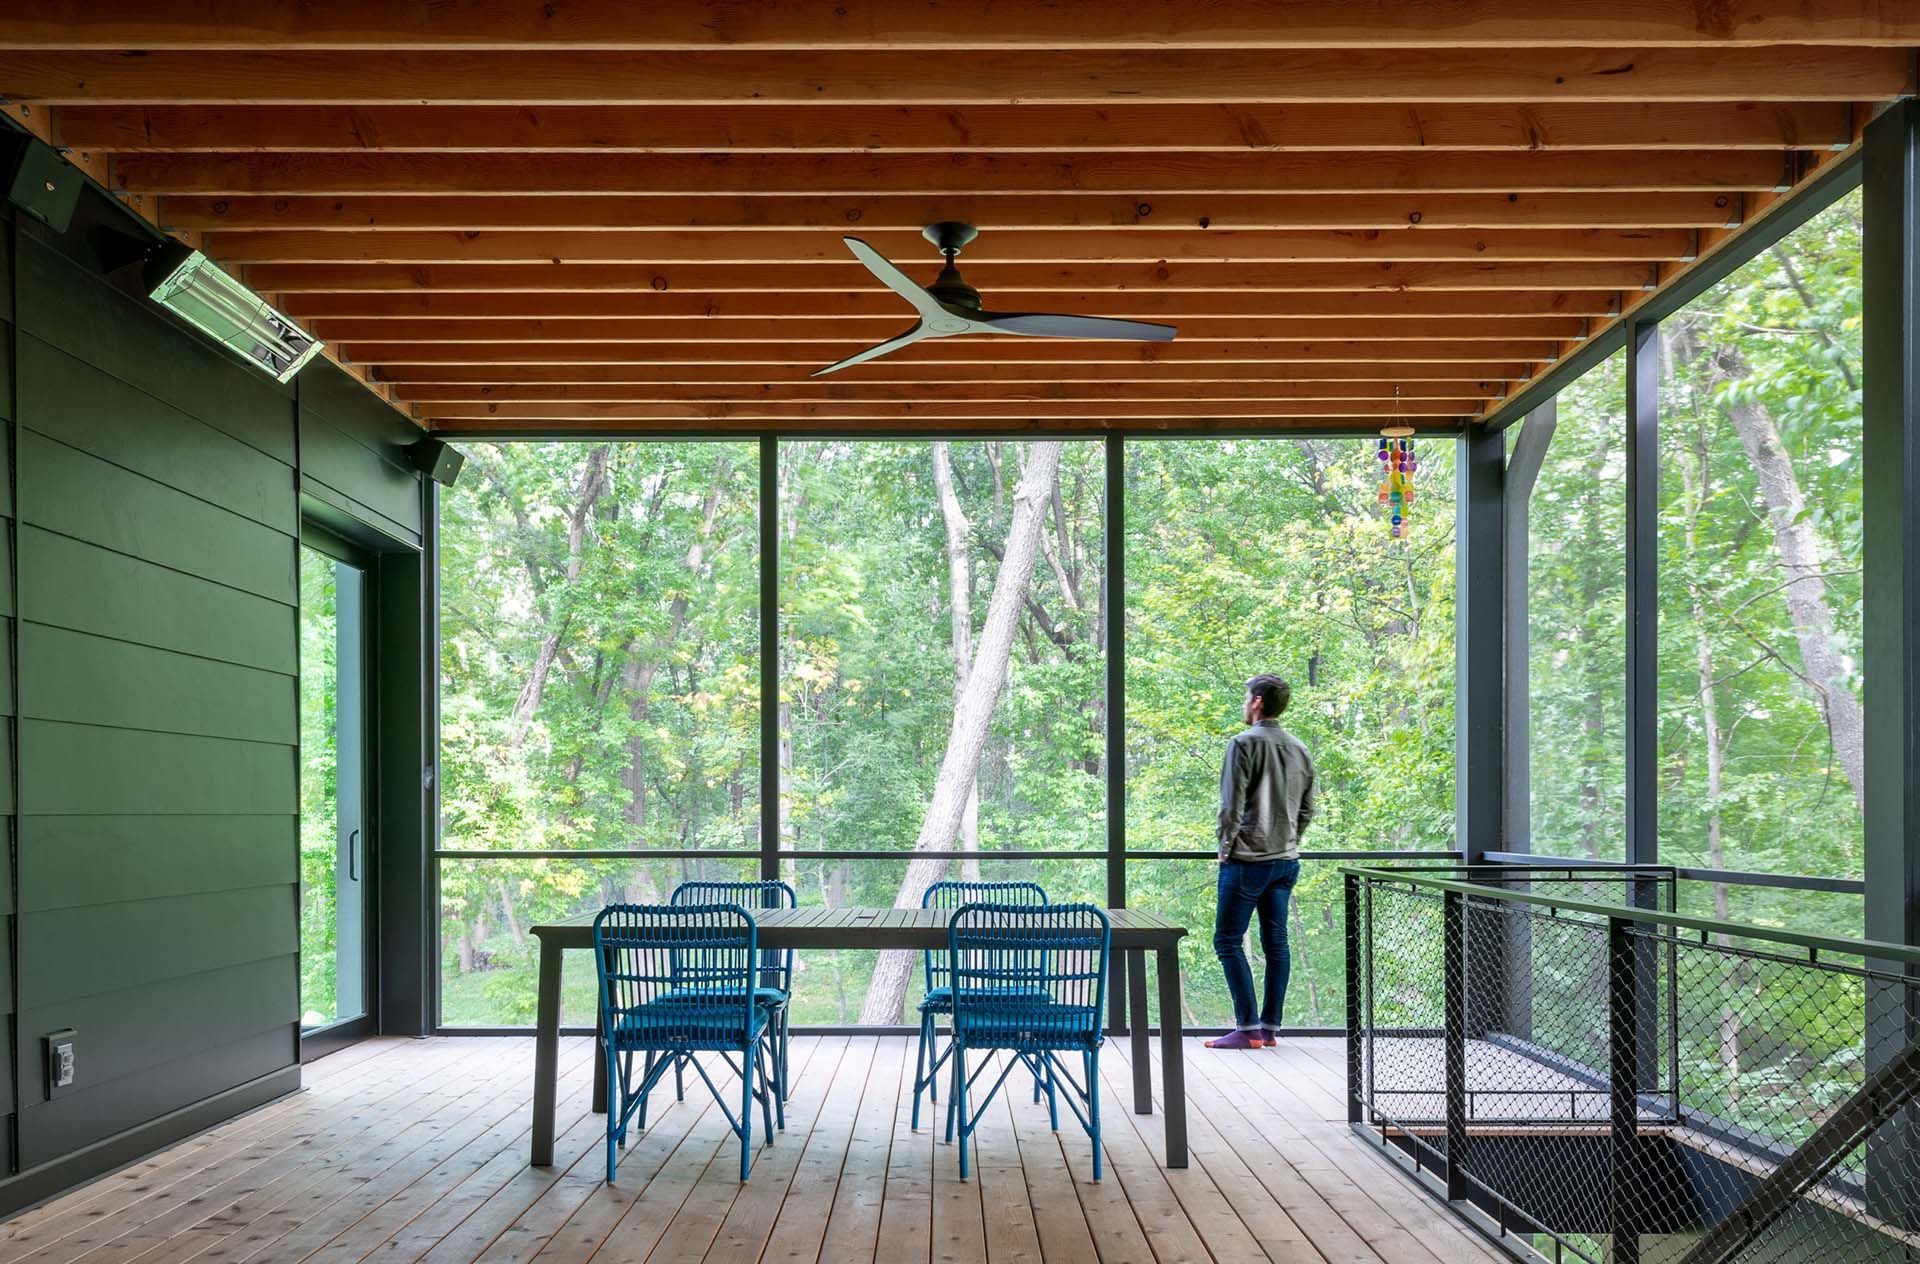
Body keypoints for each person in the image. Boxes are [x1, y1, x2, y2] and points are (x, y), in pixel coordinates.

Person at [1203, 674, 1316, 1050]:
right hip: (1286, 861)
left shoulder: (1242, 744)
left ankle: (1247, 1027)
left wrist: (1224, 848)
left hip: (1247, 860)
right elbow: (1307, 808)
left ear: (1257, 703)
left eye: (1245, 696)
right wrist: (1290, 841)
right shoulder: (1299, 748)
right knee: (1277, 944)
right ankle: (1269, 1029)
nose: (1243, 702)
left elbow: (1230, 807)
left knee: (1227, 940)